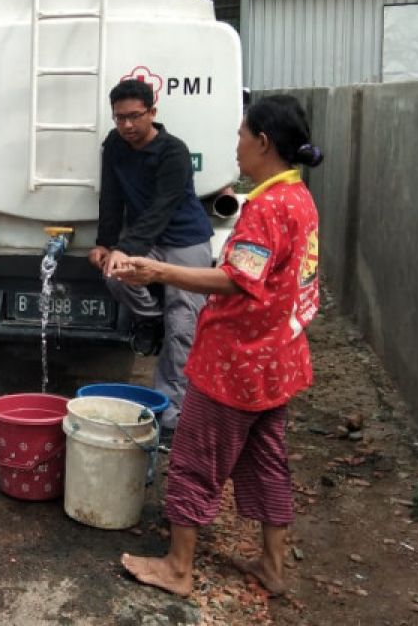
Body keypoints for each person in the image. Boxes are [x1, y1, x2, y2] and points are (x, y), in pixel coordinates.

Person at [113, 94, 324, 597]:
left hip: (236, 363)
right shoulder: (300, 199)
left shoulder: (267, 208)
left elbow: (235, 280)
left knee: (193, 461)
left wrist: (158, 271)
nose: (237, 146)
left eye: (241, 136)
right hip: (278, 361)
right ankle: (273, 567)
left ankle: (178, 569)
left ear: (264, 142)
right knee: (266, 460)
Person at [87, 78, 214, 435]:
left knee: (183, 325)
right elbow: (111, 198)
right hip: (146, 240)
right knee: (114, 275)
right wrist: (105, 244)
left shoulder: (173, 152)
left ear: (152, 113)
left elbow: (161, 210)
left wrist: (126, 249)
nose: (126, 125)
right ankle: (152, 318)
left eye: (134, 116)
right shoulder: (114, 145)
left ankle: (172, 414)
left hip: (184, 240)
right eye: (119, 118)